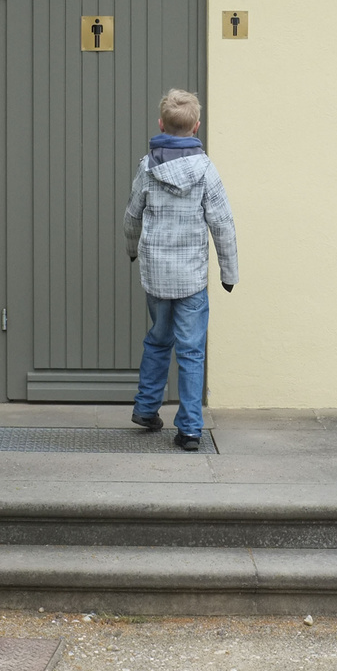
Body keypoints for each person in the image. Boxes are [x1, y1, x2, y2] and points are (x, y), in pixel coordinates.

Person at [123, 89, 239, 450]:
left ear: (161, 124)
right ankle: (189, 428)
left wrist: (131, 250)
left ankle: (146, 408)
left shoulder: (148, 166)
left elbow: (132, 215)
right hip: (190, 279)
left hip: (157, 276)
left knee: (158, 339)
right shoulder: (206, 170)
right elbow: (222, 223)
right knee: (191, 350)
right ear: (196, 126)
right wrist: (228, 272)